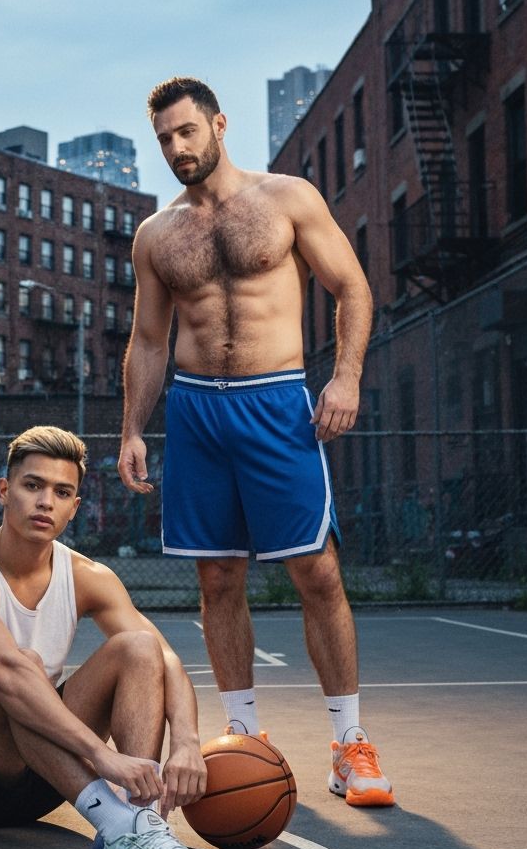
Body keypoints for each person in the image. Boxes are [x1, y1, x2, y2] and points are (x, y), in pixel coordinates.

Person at [117, 76, 393, 808]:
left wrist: (346, 379)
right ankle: (246, 737)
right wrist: (132, 431)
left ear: (218, 124)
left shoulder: (288, 199)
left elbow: (353, 288)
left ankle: (349, 745)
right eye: (165, 138)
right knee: (217, 579)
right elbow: (148, 340)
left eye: (187, 131)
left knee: (318, 571)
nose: (177, 148)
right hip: (198, 411)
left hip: (278, 402)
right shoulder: (156, 234)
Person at [0, 426, 229, 849]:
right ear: (3, 491)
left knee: (139, 647)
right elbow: (3, 674)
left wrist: (186, 741)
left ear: (75, 506)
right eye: (32, 486)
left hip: (44, 773)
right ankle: (120, 825)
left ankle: (138, 827)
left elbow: (167, 661)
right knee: (25, 666)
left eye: (62, 492)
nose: (45, 502)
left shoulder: (87, 576)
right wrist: (101, 758)